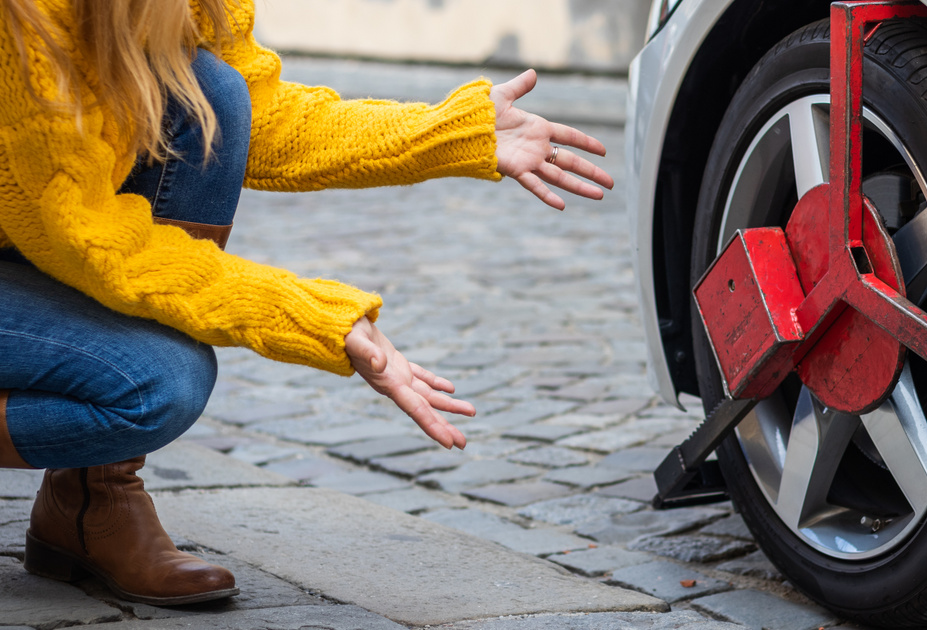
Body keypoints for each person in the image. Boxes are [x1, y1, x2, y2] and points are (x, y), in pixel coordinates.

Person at [0, 0, 614, 606]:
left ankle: (89, 502)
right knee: (158, 385)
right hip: (57, 229)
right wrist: (313, 319)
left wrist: (448, 132)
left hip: (36, 234)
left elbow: (260, 117)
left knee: (209, 94)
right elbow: (87, 235)